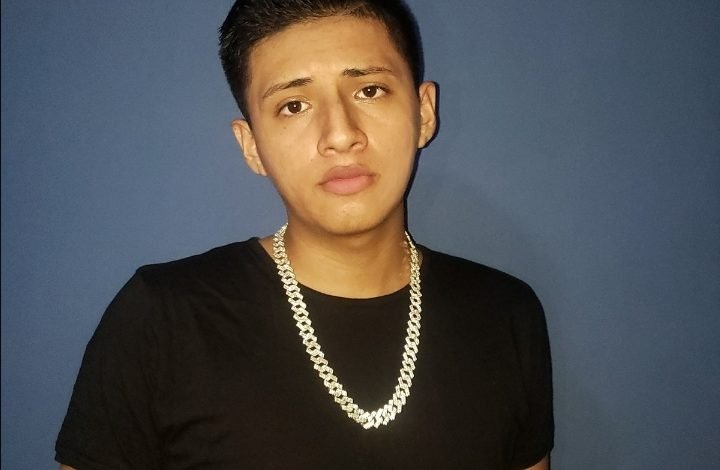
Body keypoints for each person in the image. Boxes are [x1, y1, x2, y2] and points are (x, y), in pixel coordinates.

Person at [56, 0, 553, 468]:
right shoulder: (162, 318)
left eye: (369, 90)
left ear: (423, 112)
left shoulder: (504, 315)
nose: (340, 134)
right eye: (293, 105)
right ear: (251, 146)